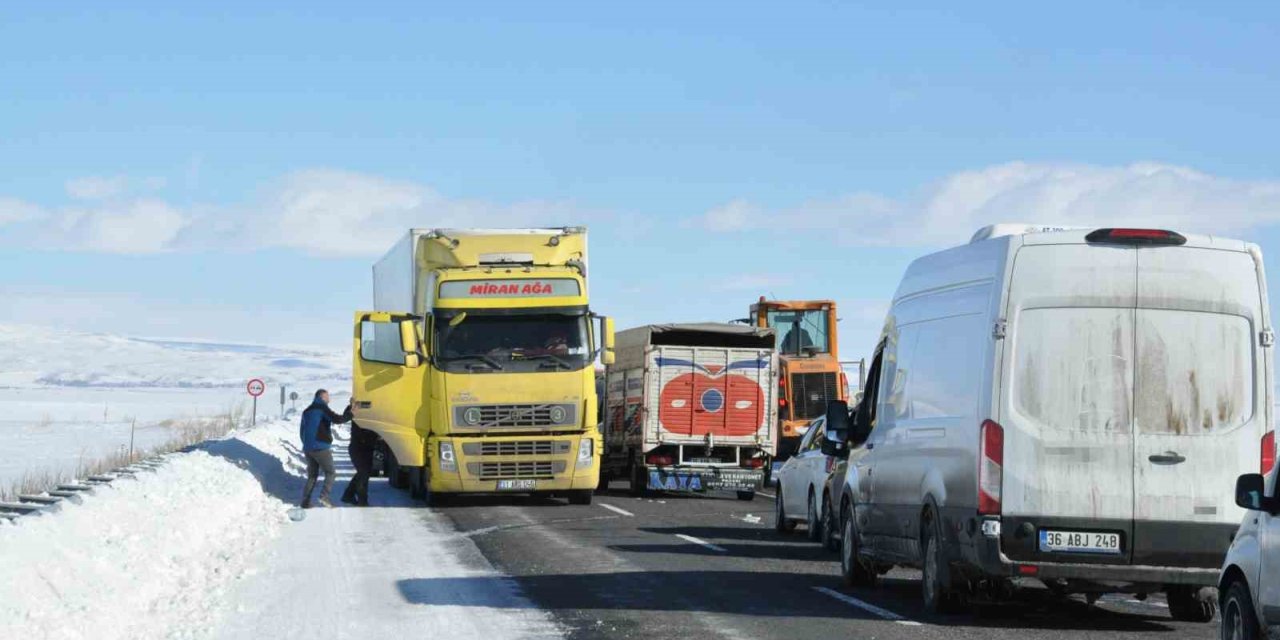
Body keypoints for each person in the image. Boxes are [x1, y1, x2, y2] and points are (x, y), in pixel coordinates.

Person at [299, 389, 352, 508]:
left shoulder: (306, 411)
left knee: (312, 476)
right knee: (331, 473)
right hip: (320, 447)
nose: (329, 399)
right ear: (322, 397)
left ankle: (305, 501)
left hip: (308, 448)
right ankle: (324, 496)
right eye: (328, 396)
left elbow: (302, 430)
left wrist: (307, 444)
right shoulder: (322, 408)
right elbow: (338, 419)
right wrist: (351, 413)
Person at [341, 419, 378, 506]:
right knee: (363, 473)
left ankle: (349, 495)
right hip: (359, 447)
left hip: (366, 447)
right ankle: (361, 499)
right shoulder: (359, 413)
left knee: (364, 472)